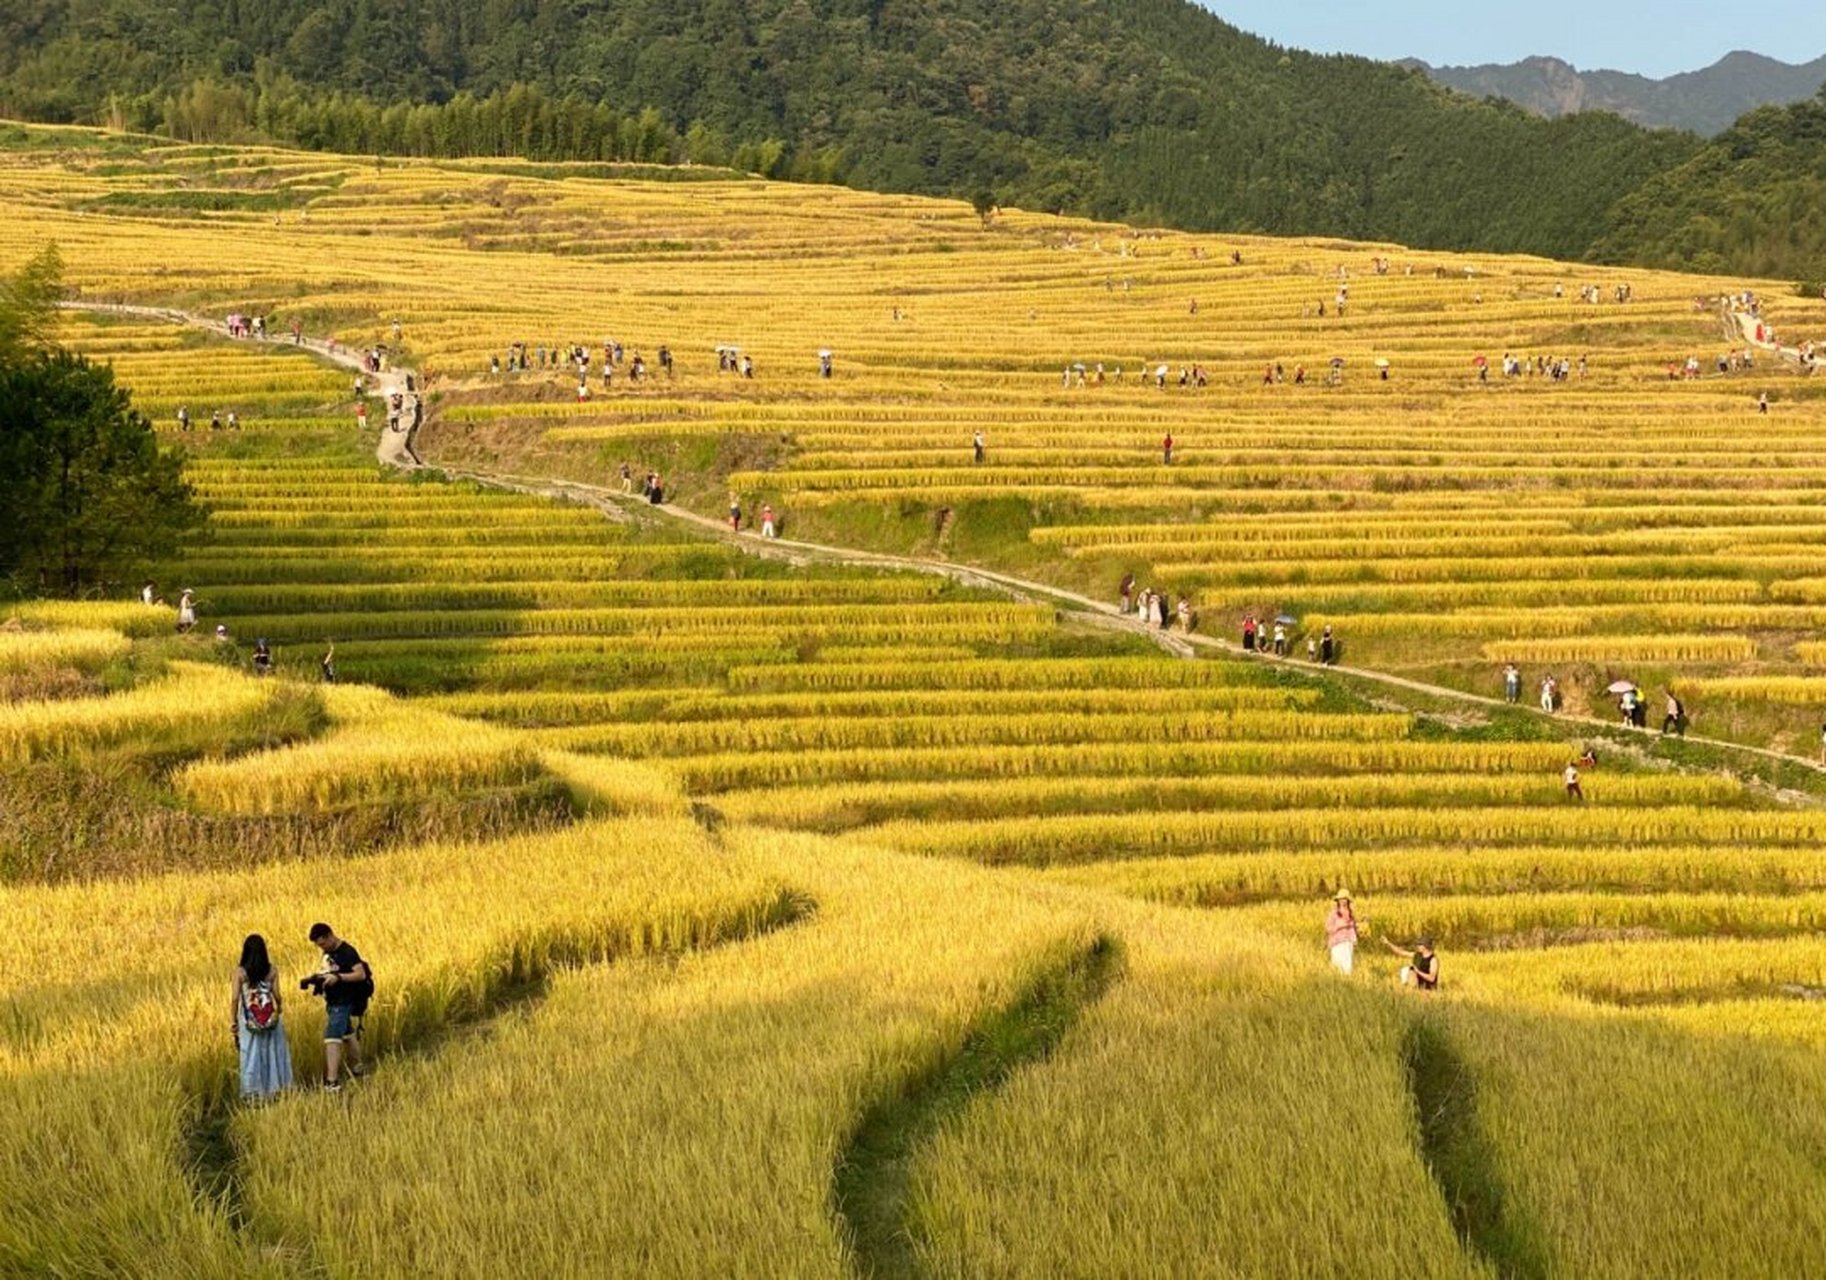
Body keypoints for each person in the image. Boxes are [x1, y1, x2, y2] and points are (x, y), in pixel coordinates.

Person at [304, 923, 371, 1092]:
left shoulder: (347, 951)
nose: (321, 948)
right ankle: (357, 1068)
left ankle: (332, 1081)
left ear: (329, 935)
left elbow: (360, 974)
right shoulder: (329, 953)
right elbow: (329, 971)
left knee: (332, 1038)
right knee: (348, 1034)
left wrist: (338, 978)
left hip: (343, 1001)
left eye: (322, 943)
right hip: (333, 1001)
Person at [231, 934, 293, 1100]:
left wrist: (233, 1021)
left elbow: (235, 999)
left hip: (249, 1020)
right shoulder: (272, 970)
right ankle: (276, 1089)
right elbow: (277, 995)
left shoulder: (240, 973)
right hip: (270, 1019)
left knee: (251, 1054)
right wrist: (278, 1010)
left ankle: (253, 1093)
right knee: (273, 1051)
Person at [1325, 889, 1359, 975]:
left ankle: (1346, 984)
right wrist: (1340, 926)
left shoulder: (1350, 913)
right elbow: (1328, 928)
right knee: (1337, 966)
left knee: (1347, 967)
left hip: (1348, 942)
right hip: (1337, 943)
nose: (1343, 901)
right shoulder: (1333, 913)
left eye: (1345, 899)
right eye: (1341, 899)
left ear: (1348, 901)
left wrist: (1360, 924)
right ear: (1338, 901)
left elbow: (1354, 927)